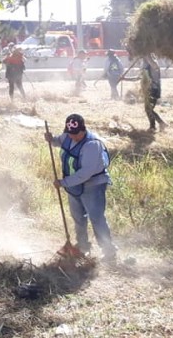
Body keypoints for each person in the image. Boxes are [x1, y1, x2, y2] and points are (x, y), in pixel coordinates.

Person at [45, 113, 117, 263]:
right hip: (74, 185)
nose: (73, 137)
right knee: (78, 217)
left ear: (83, 129)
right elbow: (59, 141)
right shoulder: (68, 136)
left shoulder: (92, 145)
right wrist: (51, 139)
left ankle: (108, 250)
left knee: (96, 218)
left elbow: (85, 173)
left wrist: (63, 182)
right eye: (70, 134)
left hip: (93, 184)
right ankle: (82, 247)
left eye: (76, 134)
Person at [141, 54, 166, 131]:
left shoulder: (153, 63)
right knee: (148, 109)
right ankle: (153, 126)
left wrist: (146, 54)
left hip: (153, 89)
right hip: (147, 90)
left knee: (149, 109)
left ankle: (161, 123)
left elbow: (154, 65)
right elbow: (140, 77)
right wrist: (125, 78)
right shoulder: (145, 66)